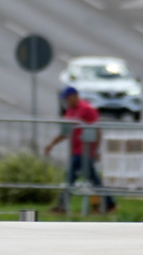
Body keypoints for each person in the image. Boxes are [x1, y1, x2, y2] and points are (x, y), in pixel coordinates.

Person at [44, 86, 116, 214]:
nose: (66, 101)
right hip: (75, 151)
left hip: (86, 151)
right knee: (88, 179)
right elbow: (65, 132)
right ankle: (108, 203)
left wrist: (96, 150)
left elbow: (97, 129)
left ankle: (64, 205)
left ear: (74, 96)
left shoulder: (87, 109)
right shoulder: (70, 112)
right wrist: (52, 144)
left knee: (77, 178)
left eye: (68, 98)